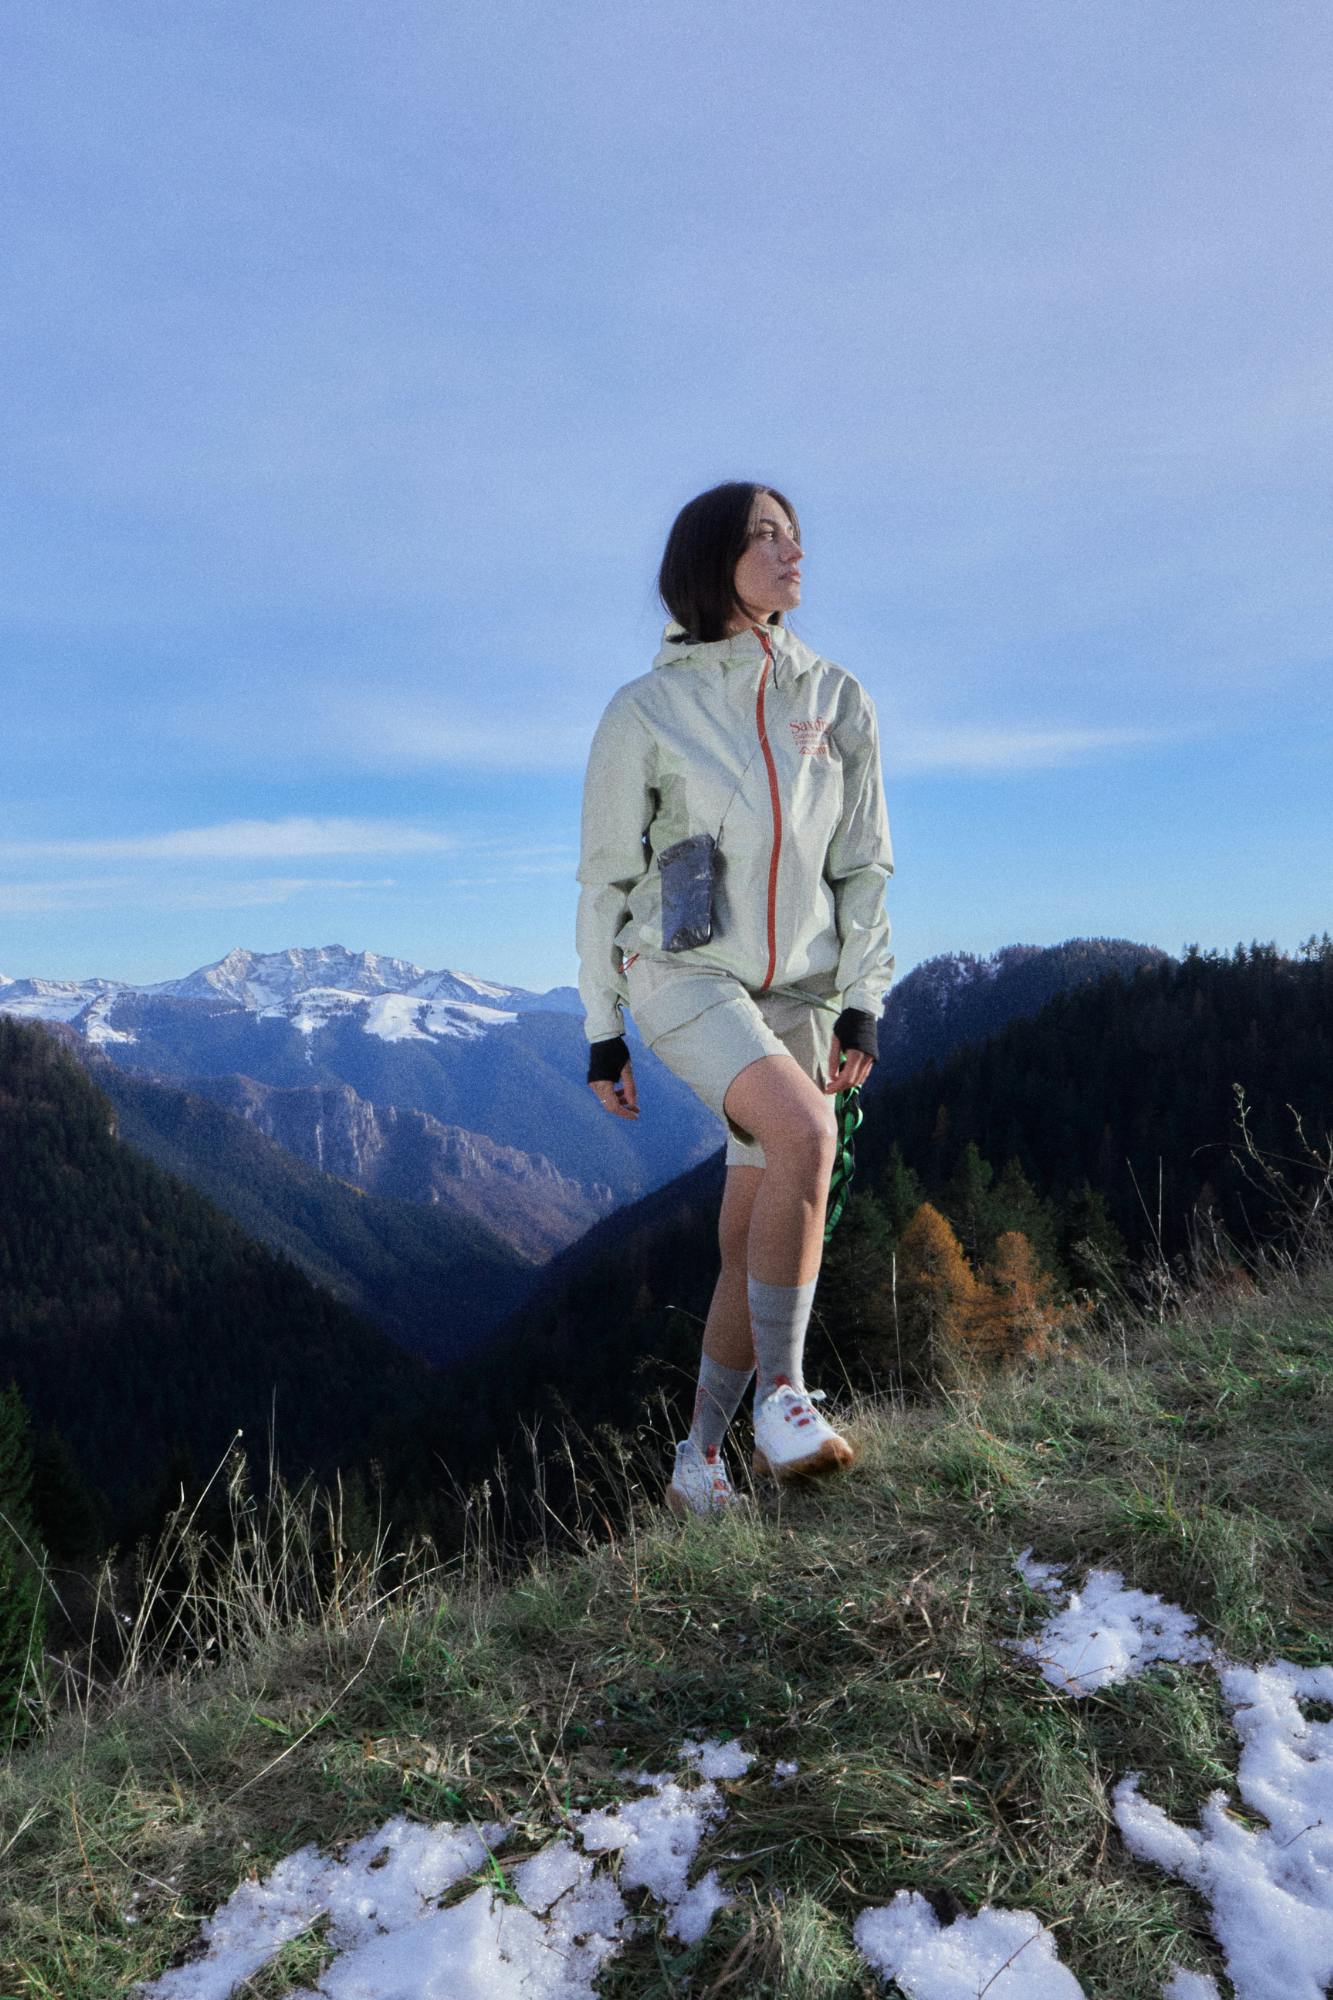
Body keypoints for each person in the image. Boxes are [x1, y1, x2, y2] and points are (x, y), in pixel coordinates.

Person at [575, 481, 894, 1516]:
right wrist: (601, 1033)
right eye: (764, 535)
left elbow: (864, 867)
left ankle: (698, 1453)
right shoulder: (646, 709)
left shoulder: (837, 699)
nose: (791, 551)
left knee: (752, 1217)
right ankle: (786, 1397)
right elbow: (606, 880)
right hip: (682, 972)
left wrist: (860, 1002)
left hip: (800, 989)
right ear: (713, 560)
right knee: (805, 1135)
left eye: (796, 534)